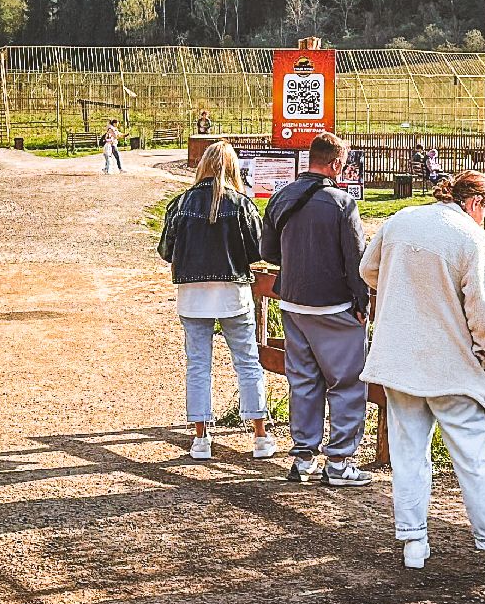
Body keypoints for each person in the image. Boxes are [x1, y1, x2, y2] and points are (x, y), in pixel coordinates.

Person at [360, 170, 485, 576]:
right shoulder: (472, 238)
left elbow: (369, 270)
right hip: (449, 365)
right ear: (478, 203)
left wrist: (403, 293)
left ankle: (413, 539)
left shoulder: (400, 220)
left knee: (408, 450)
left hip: (399, 359)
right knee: (477, 455)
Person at [260, 132, 373, 487]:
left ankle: (303, 457)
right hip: (334, 305)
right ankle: (339, 462)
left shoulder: (282, 196)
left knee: (304, 380)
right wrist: (362, 302)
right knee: (347, 383)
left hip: (292, 302)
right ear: (337, 163)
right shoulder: (342, 203)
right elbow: (358, 261)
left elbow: (267, 251)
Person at [158, 141, 275, 462]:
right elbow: (258, 252)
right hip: (232, 293)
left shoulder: (180, 204)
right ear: (233, 168)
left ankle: (200, 439)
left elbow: (166, 251)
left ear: (203, 166)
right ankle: (260, 437)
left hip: (192, 296)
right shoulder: (241, 204)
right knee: (248, 363)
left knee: (198, 366)